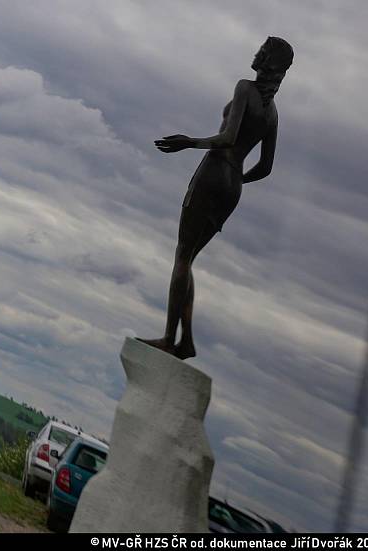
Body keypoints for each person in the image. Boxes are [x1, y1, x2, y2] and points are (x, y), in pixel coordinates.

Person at [140, 37, 294, 360]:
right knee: (189, 258)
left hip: (212, 173)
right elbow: (265, 168)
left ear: (267, 61)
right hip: (232, 187)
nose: (255, 53)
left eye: (261, 51)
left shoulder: (244, 89)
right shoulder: (273, 115)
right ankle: (187, 342)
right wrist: (236, 179)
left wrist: (188, 142)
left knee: (182, 256)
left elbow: (227, 138)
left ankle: (170, 338)